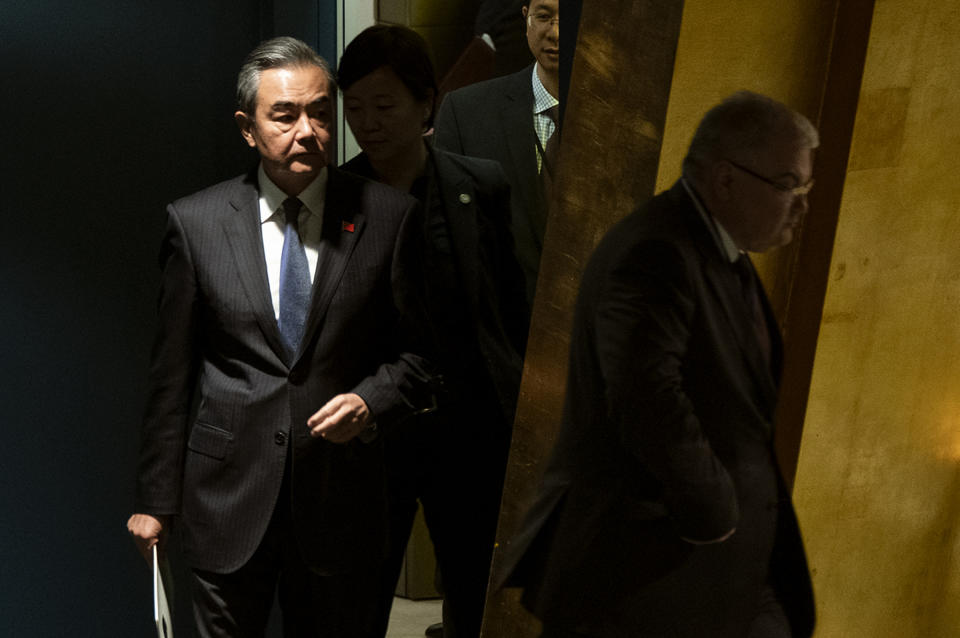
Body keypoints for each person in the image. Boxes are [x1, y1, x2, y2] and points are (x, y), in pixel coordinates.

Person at [125, 36, 435, 637]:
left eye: (320, 112)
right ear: (248, 128)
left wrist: (372, 399)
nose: (307, 130)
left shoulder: (390, 218)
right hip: (226, 497)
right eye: (285, 115)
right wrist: (154, 499)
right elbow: (172, 375)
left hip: (340, 503)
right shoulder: (197, 224)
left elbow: (422, 356)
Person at [498, 91, 819, 637]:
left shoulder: (721, 251)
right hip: (641, 577)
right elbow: (647, 396)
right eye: (789, 185)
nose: (801, 205)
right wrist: (715, 510)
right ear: (724, 179)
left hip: (707, 579)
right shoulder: (654, 251)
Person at [337, 25, 528, 638]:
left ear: (427, 104)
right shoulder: (334, 197)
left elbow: (507, 307)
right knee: (360, 594)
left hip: (471, 427)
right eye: (356, 107)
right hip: (374, 430)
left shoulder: (479, 184)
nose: (368, 122)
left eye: (384, 105)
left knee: (477, 593)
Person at [434, 0, 559, 307]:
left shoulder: (636, 118)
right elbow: (445, 244)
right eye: (544, 17)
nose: (556, 33)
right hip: (503, 331)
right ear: (526, 17)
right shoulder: (466, 114)